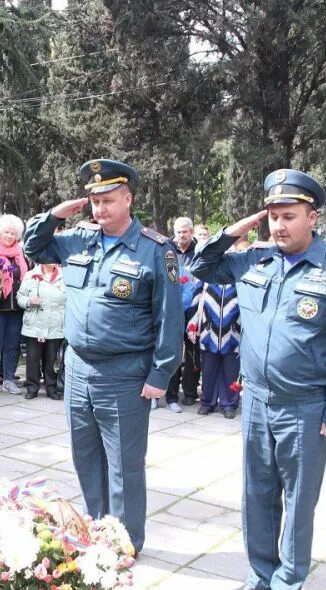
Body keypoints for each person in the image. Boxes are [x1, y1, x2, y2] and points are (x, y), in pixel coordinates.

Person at [191, 168, 326, 590]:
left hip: (305, 406)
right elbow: (197, 265)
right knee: (257, 492)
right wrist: (240, 228)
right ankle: (260, 575)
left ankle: (288, 586)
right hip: (256, 401)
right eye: (272, 217)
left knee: (298, 498)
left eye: (289, 216)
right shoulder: (254, 262)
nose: (279, 226)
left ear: (313, 217)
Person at [23, 159, 184, 553]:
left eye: (109, 200)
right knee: (85, 455)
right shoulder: (80, 239)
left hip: (125, 372)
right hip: (77, 367)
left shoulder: (155, 251)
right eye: (95, 201)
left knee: (124, 465)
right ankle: (95, 528)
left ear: (128, 198)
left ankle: (125, 541)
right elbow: (33, 247)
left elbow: (169, 318)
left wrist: (161, 374)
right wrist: (55, 215)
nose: (100, 209)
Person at [193, 240, 248, 419]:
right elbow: (196, 302)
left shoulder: (241, 277)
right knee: (207, 370)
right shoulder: (206, 276)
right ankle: (207, 402)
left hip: (233, 332)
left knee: (231, 370)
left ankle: (229, 404)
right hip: (209, 331)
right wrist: (193, 325)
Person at [0, 214, 32, 396]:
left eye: (13, 233)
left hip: (17, 307)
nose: (9, 236)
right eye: (6, 232)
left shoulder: (23, 253)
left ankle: (9, 379)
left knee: (13, 344)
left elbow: (30, 276)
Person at [16, 263, 65, 400]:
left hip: (56, 325)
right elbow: (20, 297)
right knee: (33, 359)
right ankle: (32, 387)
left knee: (52, 359)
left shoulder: (64, 276)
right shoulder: (30, 275)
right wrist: (29, 301)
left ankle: (51, 387)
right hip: (34, 324)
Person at [166, 216, 200, 411]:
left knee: (192, 353)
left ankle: (189, 392)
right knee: (172, 352)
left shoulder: (199, 251)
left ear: (191, 232)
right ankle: (170, 395)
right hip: (172, 310)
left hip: (194, 311)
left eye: (184, 232)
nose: (180, 236)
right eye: (178, 232)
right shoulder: (168, 250)